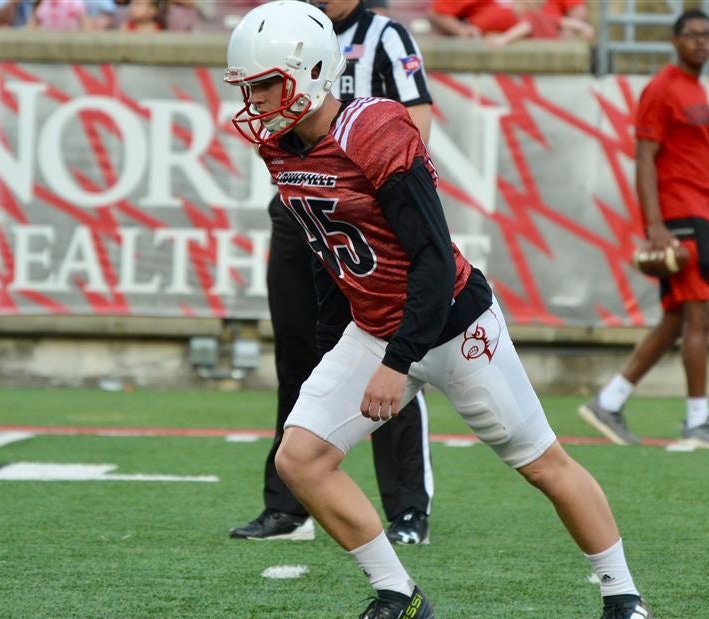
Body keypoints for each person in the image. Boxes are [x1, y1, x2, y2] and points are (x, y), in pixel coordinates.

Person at [224, 3, 652, 617]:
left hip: (453, 322)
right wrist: (334, 343)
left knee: (542, 464)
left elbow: (429, 259)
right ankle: (399, 595)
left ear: (312, 72)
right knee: (301, 458)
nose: (257, 101)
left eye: (266, 84)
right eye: (250, 87)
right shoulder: (282, 150)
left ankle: (625, 598)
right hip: (375, 326)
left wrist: (397, 363)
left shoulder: (374, 132)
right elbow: (329, 257)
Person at [229, 0, 437, 547]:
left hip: (366, 211)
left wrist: (378, 199)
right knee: (298, 352)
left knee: (392, 349)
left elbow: (417, 121)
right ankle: (287, 502)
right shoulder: (275, 31)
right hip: (305, 210)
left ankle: (408, 508)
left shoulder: (386, 36)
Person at [580, 9, 709, 450]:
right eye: (691, 35)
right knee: (700, 315)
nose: (701, 42)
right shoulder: (663, 88)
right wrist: (654, 225)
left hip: (702, 213)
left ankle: (609, 402)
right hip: (681, 217)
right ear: (675, 42)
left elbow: (704, 154)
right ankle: (697, 418)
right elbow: (645, 157)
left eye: (707, 35)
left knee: (676, 319)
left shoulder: (694, 89)